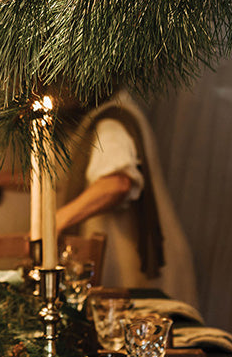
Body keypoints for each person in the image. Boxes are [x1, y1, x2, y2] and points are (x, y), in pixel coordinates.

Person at [56, 88, 199, 306]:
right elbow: (68, 177)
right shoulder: (102, 117)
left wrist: (57, 221)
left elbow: (117, 183)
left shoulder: (111, 124)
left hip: (133, 268)